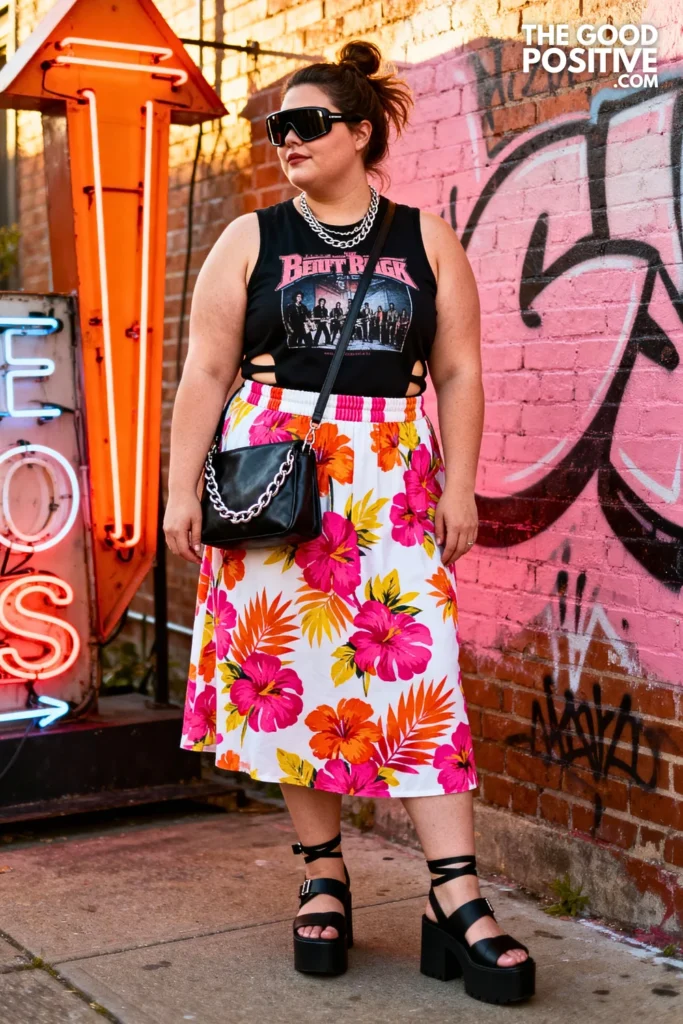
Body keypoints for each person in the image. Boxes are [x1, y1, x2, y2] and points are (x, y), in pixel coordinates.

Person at [163, 38, 535, 1005]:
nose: (285, 139)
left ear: (361, 133)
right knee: (291, 673)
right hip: (274, 479)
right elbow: (205, 369)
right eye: (276, 126)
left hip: (394, 479)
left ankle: (453, 896)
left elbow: (457, 369)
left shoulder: (424, 240)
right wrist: (180, 490)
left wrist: (461, 486)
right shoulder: (249, 239)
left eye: (306, 123)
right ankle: (320, 871)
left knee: (425, 672)